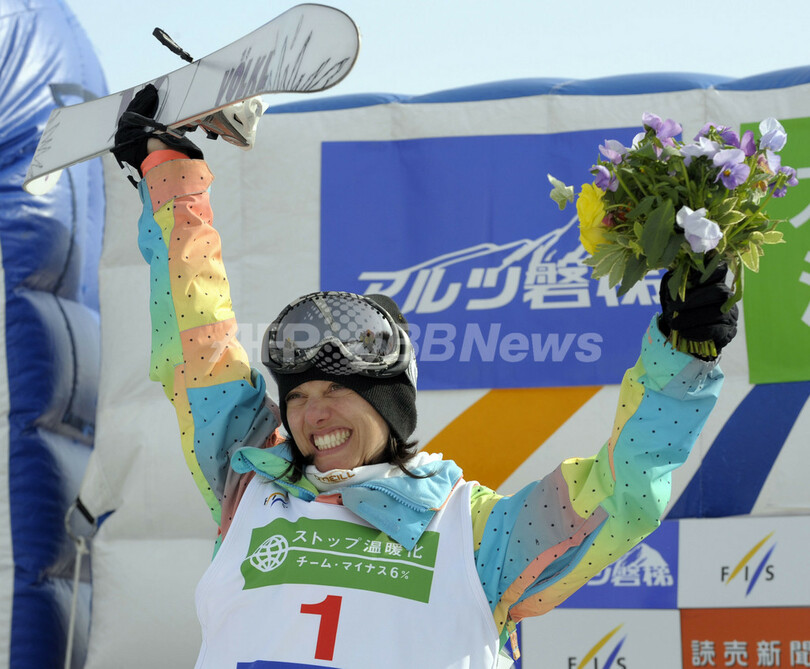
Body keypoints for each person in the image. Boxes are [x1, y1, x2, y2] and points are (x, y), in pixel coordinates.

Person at [113, 85, 736, 669]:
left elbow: (622, 494)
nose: (313, 414)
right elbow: (201, 347)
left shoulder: (479, 533)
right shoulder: (244, 479)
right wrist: (169, 173)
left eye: (338, 389)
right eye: (298, 395)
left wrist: (685, 354)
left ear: (391, 404)